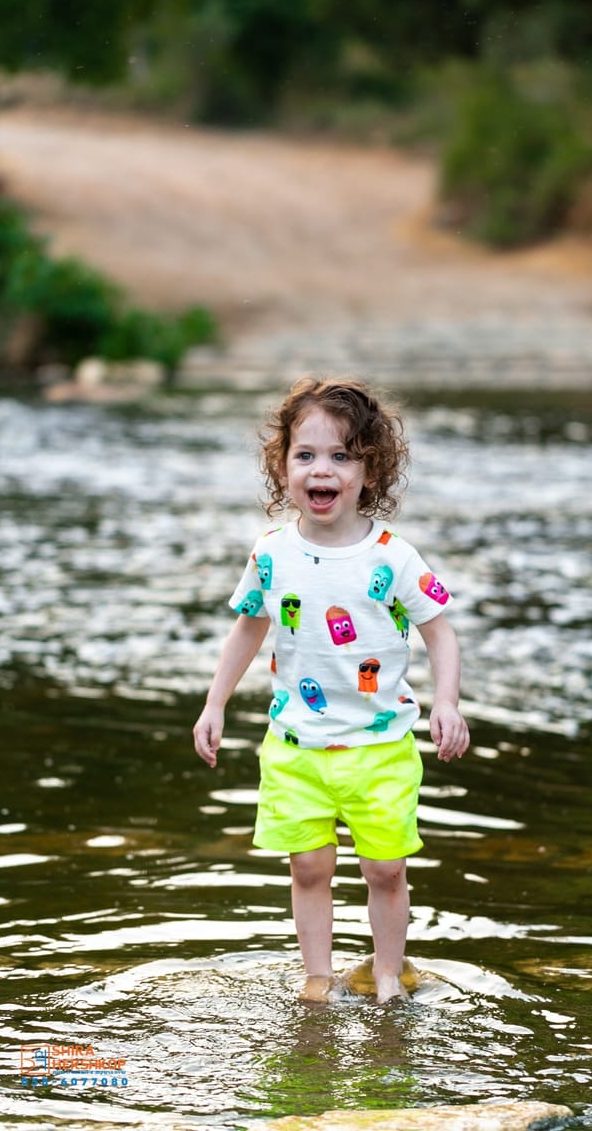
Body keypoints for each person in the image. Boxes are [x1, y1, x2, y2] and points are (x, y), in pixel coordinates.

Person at [193, 376, 469, 1002]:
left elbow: (441, 634)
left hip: (381, 744)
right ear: (282, 466)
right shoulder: (271, 553)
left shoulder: (392, 557)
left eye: (342, 456)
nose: (323, 469)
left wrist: (446, 702)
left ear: (370, 471)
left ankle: (389, 974)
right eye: (306, 455)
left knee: (386, 867)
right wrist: (215, 703)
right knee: (309, 866)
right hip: (295, 743)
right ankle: (318, 979)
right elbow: (247, 629)